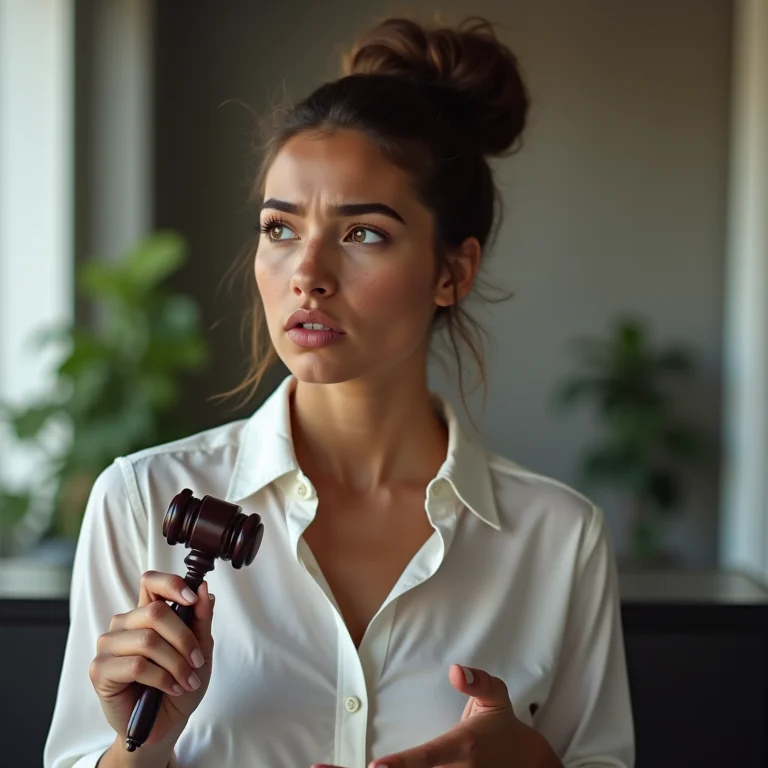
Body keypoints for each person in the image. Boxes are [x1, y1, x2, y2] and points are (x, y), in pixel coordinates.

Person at [44, 15, 634, 768]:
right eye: (280, 228)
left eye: (363, 234)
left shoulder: (558, 538)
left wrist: (531, 762)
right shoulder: (140, 499)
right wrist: (142, 747)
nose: (308, 273)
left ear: (453, 271)